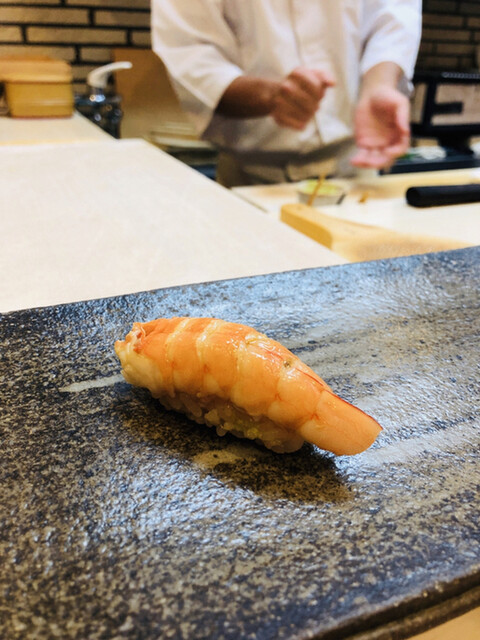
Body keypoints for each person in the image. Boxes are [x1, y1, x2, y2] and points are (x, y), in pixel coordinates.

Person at [151, 1, 422, 187]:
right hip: (248, 179)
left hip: (355, 168)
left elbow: (395, 13)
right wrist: (270, 96)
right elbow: (190, 51)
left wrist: (380, 85)